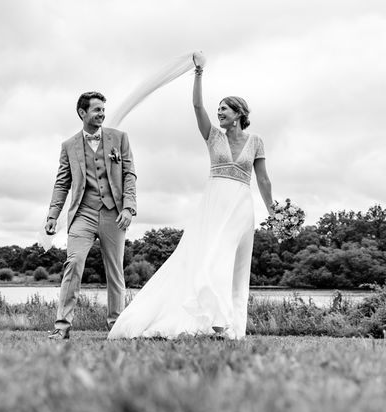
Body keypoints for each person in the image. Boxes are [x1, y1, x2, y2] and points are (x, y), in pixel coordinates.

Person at [108, 54, 274, 340]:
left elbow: (263, 178)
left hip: (241, 207)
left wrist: (274, 211)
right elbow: (197, 105)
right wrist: (198, 73)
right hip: (215, 203)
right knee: (211, 256)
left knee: (233, 263)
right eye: (219, 108)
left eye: (225, 109)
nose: (219, 112)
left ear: (239, 113)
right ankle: (217, 324)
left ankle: (230, 323)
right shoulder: (213, 136)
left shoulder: (256, 141)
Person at [45, 91, 137, 340]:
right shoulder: (69, 146)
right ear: (82, 113)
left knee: (115, 270)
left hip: (113, 213)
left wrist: (129, 207)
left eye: (103, 109)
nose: (102, 114)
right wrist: (53, 214)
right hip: (82, 214)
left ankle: (116, 326)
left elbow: (129, 174)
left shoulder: (119, 139)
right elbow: (61, 183)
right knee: (73, 264)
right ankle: (62, 327)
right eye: (97, 109)